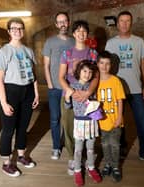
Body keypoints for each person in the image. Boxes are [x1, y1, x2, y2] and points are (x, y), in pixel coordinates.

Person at [105, 10, 144, 165]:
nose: (124, 24)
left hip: (136, 89)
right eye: (122, 21)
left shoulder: (138, 42)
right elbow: (106, 66)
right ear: (117, 24)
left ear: (131, 23)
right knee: (119, 122)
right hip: (117, 90)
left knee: (142, 122)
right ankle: (122, 148)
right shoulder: (111, 43)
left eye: (127, 21)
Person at [0, 17, 39, 177]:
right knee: (8, 130)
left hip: (27, 91)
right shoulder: (3, 52)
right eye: (14, 28)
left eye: (20, 28)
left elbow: (33, 74)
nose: (17, 31)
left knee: (23, 127)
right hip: (11, 91)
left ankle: (21, 156)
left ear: (23, 30)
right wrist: (4, 103)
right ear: (8, 31)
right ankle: (6, 163)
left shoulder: (28, 50)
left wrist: (36, 93)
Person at [59, 20, 99, 175]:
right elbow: (61, 76)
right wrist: (71, 91)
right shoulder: (67, 53)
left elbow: (96, 76)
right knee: (70, 129)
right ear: (74, 34)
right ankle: (72, 158)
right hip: (70, 96)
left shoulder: (92, 53)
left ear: (87, 34)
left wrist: (88, 92)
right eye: (78, 31)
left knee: (88, 129)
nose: (81, 34)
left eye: (84, 31)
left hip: (88, 97)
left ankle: (88, 159)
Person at [42, 12, 74, 160]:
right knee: (55, 118)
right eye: (59, 21)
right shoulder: (50, 41)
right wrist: (49, 84)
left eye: (65, 21)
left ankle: (71, 147)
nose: (62, 24)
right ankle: (56, 147)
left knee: (69, 119)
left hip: (70, 87)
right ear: (56, 24)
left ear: (68, 23)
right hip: (55, 87)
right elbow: (46, 64)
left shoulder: (74, 41)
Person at [64, 60, 102, 186]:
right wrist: (67, 98)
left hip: (91, 122)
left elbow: (95, 102)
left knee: (91, 148)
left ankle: (91, 167)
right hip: (79, 122)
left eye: (90, 72)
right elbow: (67, 106)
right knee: (78, 149)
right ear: (78, 72)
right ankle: (77, 170)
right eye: (85, 71)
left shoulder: (91, 87)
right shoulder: (73, 86)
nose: (87, 74)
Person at [96, 51, 125, 182]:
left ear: (111, 65)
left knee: (115, 144)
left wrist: (119, 117)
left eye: (107, 64)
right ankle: (107, 164)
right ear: (97, 64)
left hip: (115, 120)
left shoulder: (115, 81)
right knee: (104, 144)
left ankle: (115, 166)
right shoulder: (94, 82)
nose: (104, 66)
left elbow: (120, 100)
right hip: (102, 121)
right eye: (102, 63)